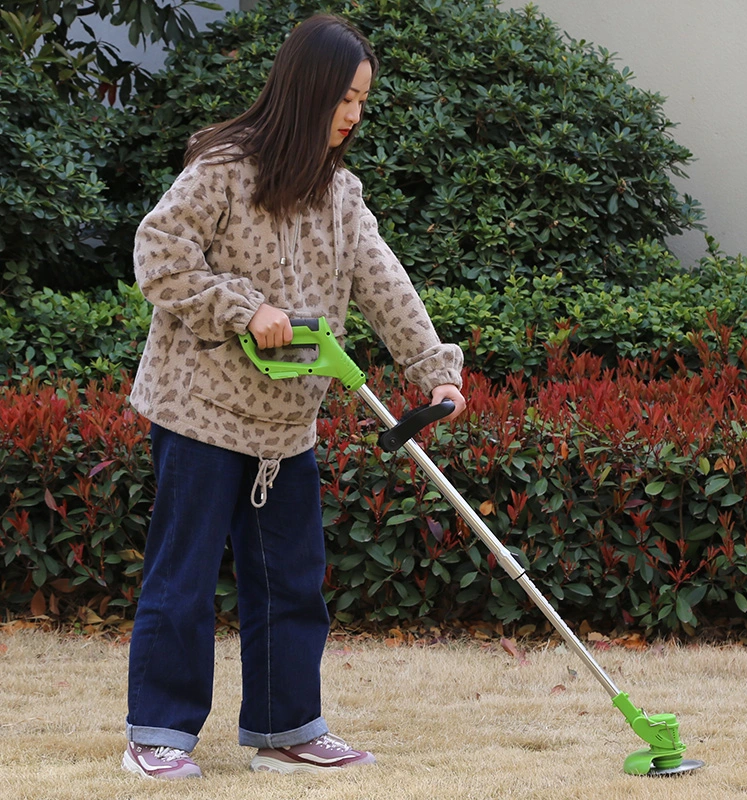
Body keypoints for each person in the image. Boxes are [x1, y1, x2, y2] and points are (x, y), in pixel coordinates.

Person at [122, 13, 466, 781]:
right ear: (308, 90)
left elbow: (384, 281)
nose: (352, 114)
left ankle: (285, 730)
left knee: (291, 579)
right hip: (201, 408)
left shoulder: (342, 194)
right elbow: (158, 253)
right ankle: (158, 734)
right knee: (182, 577)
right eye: (344, 96)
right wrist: (245, 308)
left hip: (286, 424)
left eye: (362, 102)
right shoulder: (223, 169)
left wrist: (434, 368)